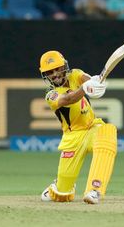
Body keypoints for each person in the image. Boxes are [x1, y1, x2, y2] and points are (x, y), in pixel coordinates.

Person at [38, 50, 117, 205]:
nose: (55, 74)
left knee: (107, 132)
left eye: (57, 69)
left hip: (92, 127)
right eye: (50, 72)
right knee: (62, 195)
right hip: (72, 137)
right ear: (45, 76)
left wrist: (95, 82)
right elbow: (68, 99)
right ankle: (59, 186)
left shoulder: (74, 74)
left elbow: (84, 78)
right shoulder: (50, 94)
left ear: (64, 67)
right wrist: (86, 88)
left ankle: (94, 190)